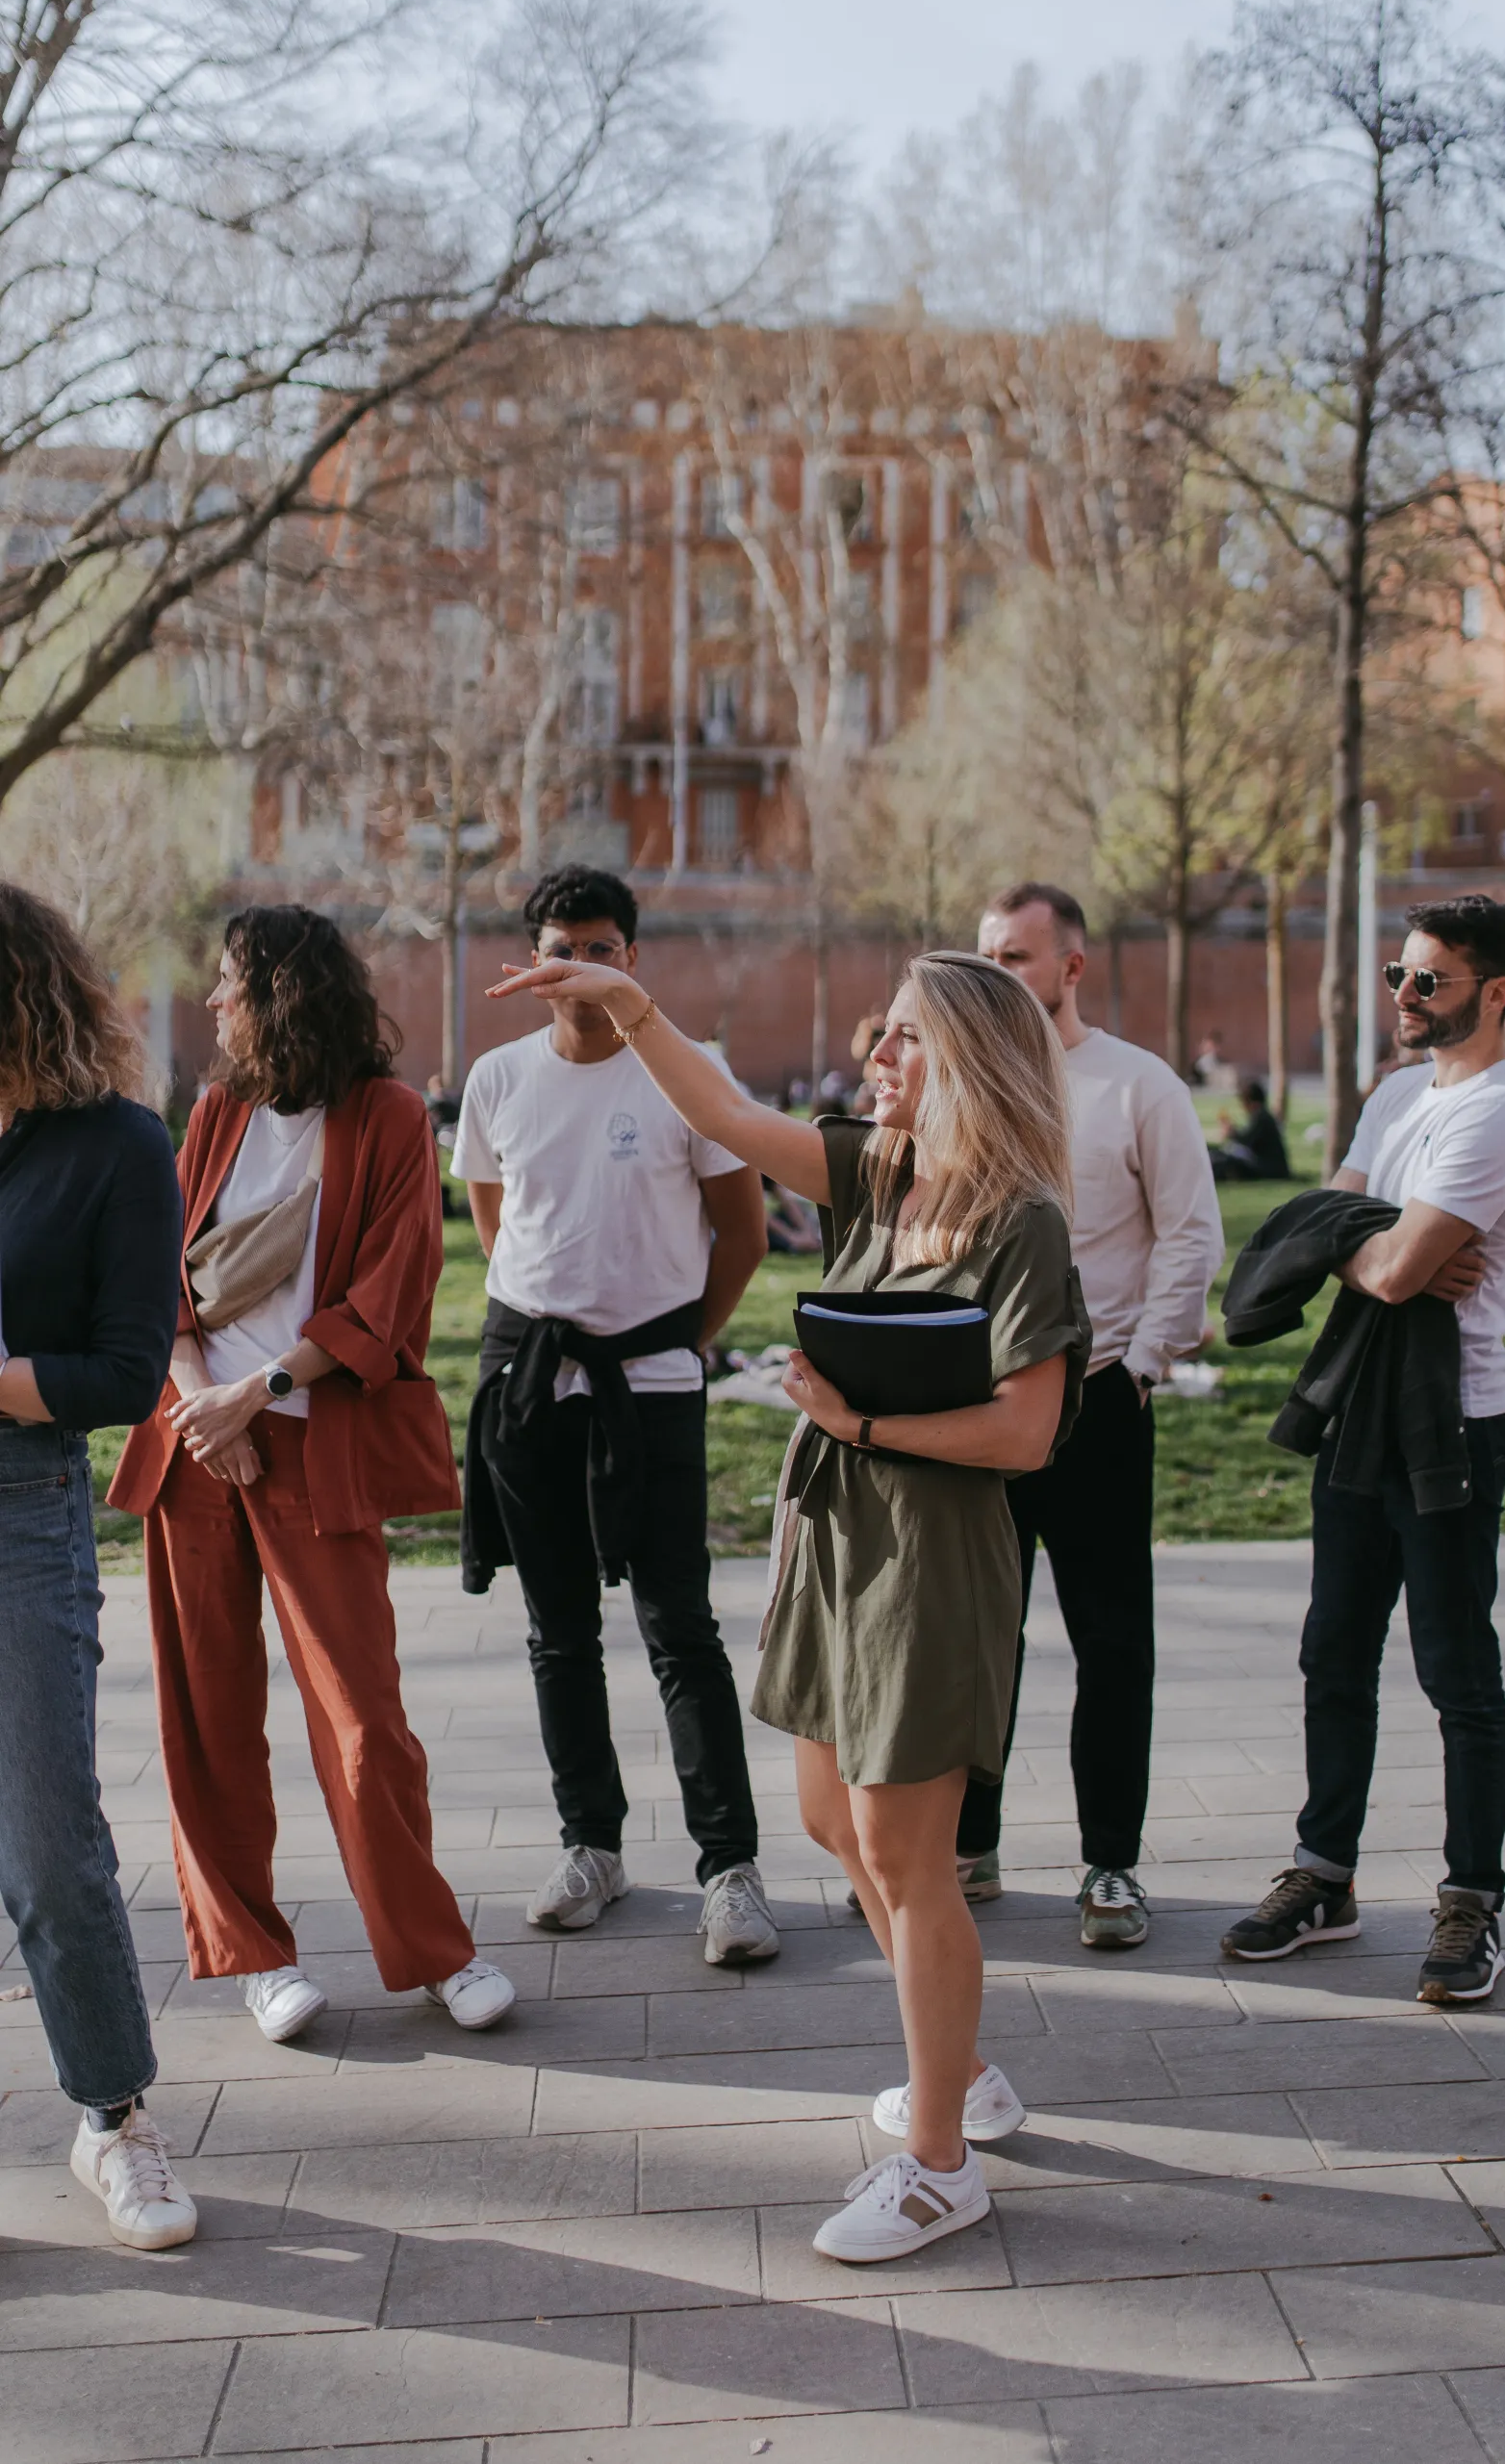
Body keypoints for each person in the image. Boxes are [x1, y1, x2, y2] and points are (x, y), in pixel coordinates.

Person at [485, 936, 1088, 2266]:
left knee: (908, 1856)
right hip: (836, 1541)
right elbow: (725, 1116)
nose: (876, 1055)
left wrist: (858, 1418)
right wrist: (628, 1003)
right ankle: (964, 2074)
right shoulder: (879, 1172)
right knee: (829, 1819)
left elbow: (1027, 1434)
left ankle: (940, 2164)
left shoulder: (1020, 1221)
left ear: (969, 1059)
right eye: (880, 1034)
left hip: (931, 1557)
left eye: (905, 1037)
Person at [110, 908, 514, 2043]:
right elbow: (165, 1280)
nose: (217, 1003)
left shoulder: (387, 1119)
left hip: (305, 1439)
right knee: (206, 1709)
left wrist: (261, 1394)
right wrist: (202, 1403)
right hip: (197, 1443)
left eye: (233, 984)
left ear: (284, 995)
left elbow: (390, 1297)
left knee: (361, 1715)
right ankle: (254, 1955)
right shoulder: (217, 1112)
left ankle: (433, 1946)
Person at [1220, 896, 1505, 2002]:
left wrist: (1361, 1242)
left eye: (1431, 981)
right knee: (1335, 1648)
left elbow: (1396, 1266)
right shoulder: (1400, 1094)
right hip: (1364, 1400)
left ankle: (1472, 1902)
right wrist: (1367, 1240)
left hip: (1455, 1410)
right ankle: (1325, 1874)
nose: (1405, 998)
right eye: (1398, 978)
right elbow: (1351, 1230)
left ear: (1496, 992)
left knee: (1456, 1665)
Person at [451, 867, 776, 1964]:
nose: (582, 967)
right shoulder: (498, 1078)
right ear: (531, 965)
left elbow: (745, 1232)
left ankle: (730, 1866)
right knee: (557, 1631)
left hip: (654, 1384)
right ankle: (591, 1842)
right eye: (562, 948)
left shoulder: (690, 1076)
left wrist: (686, 1339)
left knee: (678, 1625)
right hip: (534, 1379)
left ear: (631, 959)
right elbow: (494, 1222)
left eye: (602, 947)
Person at [960, 882, 1223, 1945]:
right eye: (985, 956)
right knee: (980, 1637)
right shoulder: (965, 1087)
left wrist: (1142, 1365)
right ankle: (966, 1849)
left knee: (1114, 1642)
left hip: (1100, 1397)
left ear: (1072, 967)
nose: (996, 974)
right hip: (977, 1410)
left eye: (1015, 957)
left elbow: (1191, 1235)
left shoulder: (1137, 1087)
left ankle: (1110, 1866)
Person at [0, 884, 197, 2252]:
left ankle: (116, 2118)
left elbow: (130, 1371)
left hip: (21, 1503)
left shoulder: (119, 1148)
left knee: (48, 1831)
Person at [1211, 1078, 1291, 1184]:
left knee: (1226, 1161)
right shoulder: (1262, 1116)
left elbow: (1247, 1141)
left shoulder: (1262, 1118)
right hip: (1267, 1166)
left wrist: (1231, 1133)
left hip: (1269, 1169)